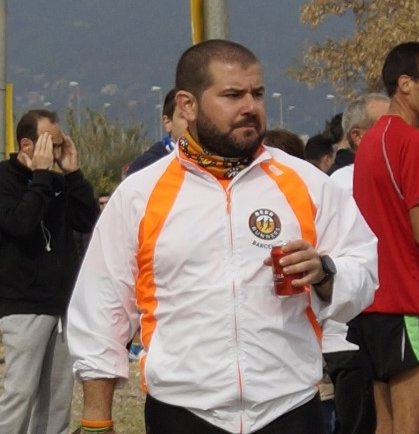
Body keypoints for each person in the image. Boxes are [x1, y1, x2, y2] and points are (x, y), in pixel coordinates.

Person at [68, 39, 378, 434]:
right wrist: (97, 420)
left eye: (257, 94)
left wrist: (326, 273)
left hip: (288, 408)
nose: (250, 107)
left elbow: (365, 267)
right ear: (187, 105)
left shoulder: (306, 182)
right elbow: (101, 307)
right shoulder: (140, 193)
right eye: (233, 95)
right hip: (184, 412)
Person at [0, 109, 99, 434]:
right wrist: (41, 177)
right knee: (20, 393)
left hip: (62, 305)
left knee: (57, 399)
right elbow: (20, 223)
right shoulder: (4, 180)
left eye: (60, 144)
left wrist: (73, 174)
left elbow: (87, 221)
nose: (56, 153)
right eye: (51, 145)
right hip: (24, 303)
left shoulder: (57, 182)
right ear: (26, 145)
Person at [353, 41, 419, 434]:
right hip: (411, 302)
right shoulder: (414, 141)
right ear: (406, 84)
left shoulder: (371, 140)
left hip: (374, 305)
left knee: (386, 428)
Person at [325, 92, 390, 434]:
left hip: (386, 325)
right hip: (349, 337)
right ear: (358, 136)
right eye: (386, 125)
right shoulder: (340, 184)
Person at [126, 88, 188, 175]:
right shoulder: (146, 166)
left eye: (198, 116)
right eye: (184, 116)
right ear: (167, 123)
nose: (193, 120)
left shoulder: (206, 163)